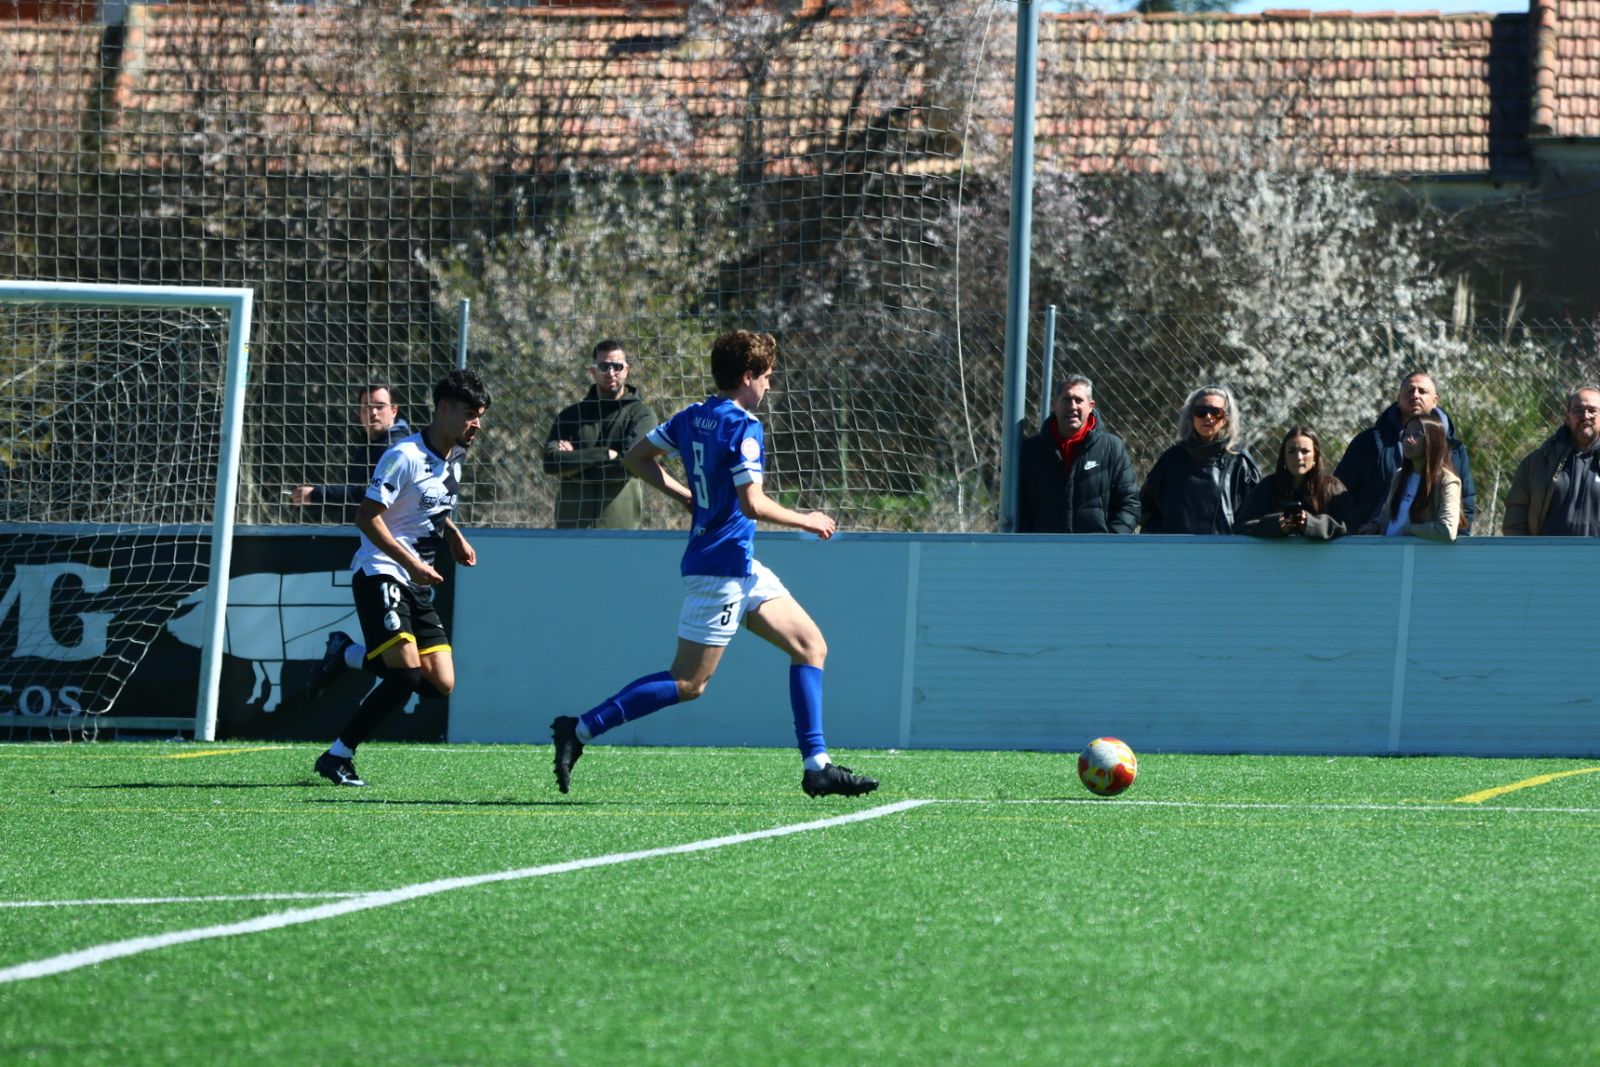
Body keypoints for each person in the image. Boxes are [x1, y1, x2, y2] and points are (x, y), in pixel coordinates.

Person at [550, 330, 877, 799]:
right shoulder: (744, 427)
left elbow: (637, 458)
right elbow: (753, 504)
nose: (768, 386)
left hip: (740, 564)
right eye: (765, 377)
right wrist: (806, 519)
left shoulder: (693, 415)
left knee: (809, 645)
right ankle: (578, 729)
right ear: (747, 377)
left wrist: (689, 496)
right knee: (688, 682)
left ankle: (817, 765)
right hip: (719, 570)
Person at [310, 369, 492, 787]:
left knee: (440, 682)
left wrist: (455, 536)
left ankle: (347, 655)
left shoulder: (455, 459)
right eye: (469, 414)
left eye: (480, 416)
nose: (476, 424)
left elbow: (433, 508)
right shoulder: (403, 455)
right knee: (405, 675)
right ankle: (338, 756)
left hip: (414, 580)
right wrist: (410, 563)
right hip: (381, 571)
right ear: (443, 409)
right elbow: (366, 517)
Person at [1334, 371, 1476, 533]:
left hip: (1434, 548)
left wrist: (1456, 542)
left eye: (1422, 391)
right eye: (1409, 391)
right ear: (1398, 398)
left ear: (1435, 400)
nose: (1415, 396)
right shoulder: (1370, 442)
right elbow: (1342, 492)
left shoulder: (1454, 449)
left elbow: (1466, 501)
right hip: (1375, 545)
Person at [542, 340, 659, 529]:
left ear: (626, 369)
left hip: (620, 530)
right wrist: (606, 454)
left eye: (617, 366)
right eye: (604, 366)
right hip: (571, 528)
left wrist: (573, 466)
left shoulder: (642, 415)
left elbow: (629, 466)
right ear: (593, 371)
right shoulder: (571, 416)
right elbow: (550, 462)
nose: (611, 373)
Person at [1016, 374, 1139, 533]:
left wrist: (1110, 543)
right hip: (1044, 552)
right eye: (1067, 399)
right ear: (1054, 404)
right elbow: (1018, 506)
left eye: (1079, 400)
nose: (1072, 406)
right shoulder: (1031, 451)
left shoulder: (1112, 448)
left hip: (1096, 553)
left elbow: (1129, 503)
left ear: (1091, 406)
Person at [1138, 385, 1261, 534]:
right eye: (1201, 412)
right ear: (1191, 416)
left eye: (1216, 412)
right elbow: (1147, 509)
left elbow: (1255, 514)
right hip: (1175, 551)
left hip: (1224, 551)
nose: (1208, 417)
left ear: (1226, 418)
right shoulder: (1171, 459)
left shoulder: (1239, 462)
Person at [290, 383, 411, 521]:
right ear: (360, 412)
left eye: (380, 406)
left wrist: (317, 495)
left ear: (394, 410)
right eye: (367, 407)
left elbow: (372, 493)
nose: (373, 413)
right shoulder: (371, 444)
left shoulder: (396, 448)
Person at [1503, 385, 1600, 536]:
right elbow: (1515, 518)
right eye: (1578, 410)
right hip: (1547, 557)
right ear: (1567, 418)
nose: (1585, 416)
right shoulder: (1537, 463)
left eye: (1592, 411)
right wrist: (1524, 556)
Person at [1236, 426, 1354, 541]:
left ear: (1315, 457)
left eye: (1305, 451)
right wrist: (1277, 524)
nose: (1298, 457)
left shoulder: (1332, 488)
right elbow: (1242, 525)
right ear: (1284, 457)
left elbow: (1349, 525)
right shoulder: (1267, 487)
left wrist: (1309, 523)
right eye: (1291, 451)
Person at [1360, 413, 1463, 542]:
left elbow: (1447, 529)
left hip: (1416, 558)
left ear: (1433, 440)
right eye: (1406, 434)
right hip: (1388, 554)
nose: (1408, 439)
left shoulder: (1447, 481)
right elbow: (1391, 515)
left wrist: (1409, 529)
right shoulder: (1399, 475)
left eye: (1417, 434)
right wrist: (1377, 525)